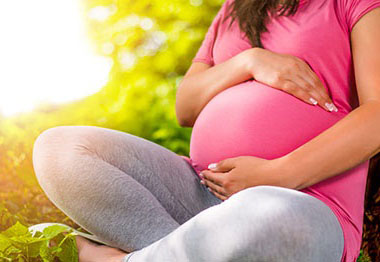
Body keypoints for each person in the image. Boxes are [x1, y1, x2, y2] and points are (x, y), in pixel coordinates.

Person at [32, 0, 380, 261]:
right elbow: (186, 105)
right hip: (198, 188)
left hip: (301, 203)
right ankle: (182, 249)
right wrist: (250, 61)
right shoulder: (234, 8)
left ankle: (116, 258)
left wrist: (277, 174)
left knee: (273, 220)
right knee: (59, 148)